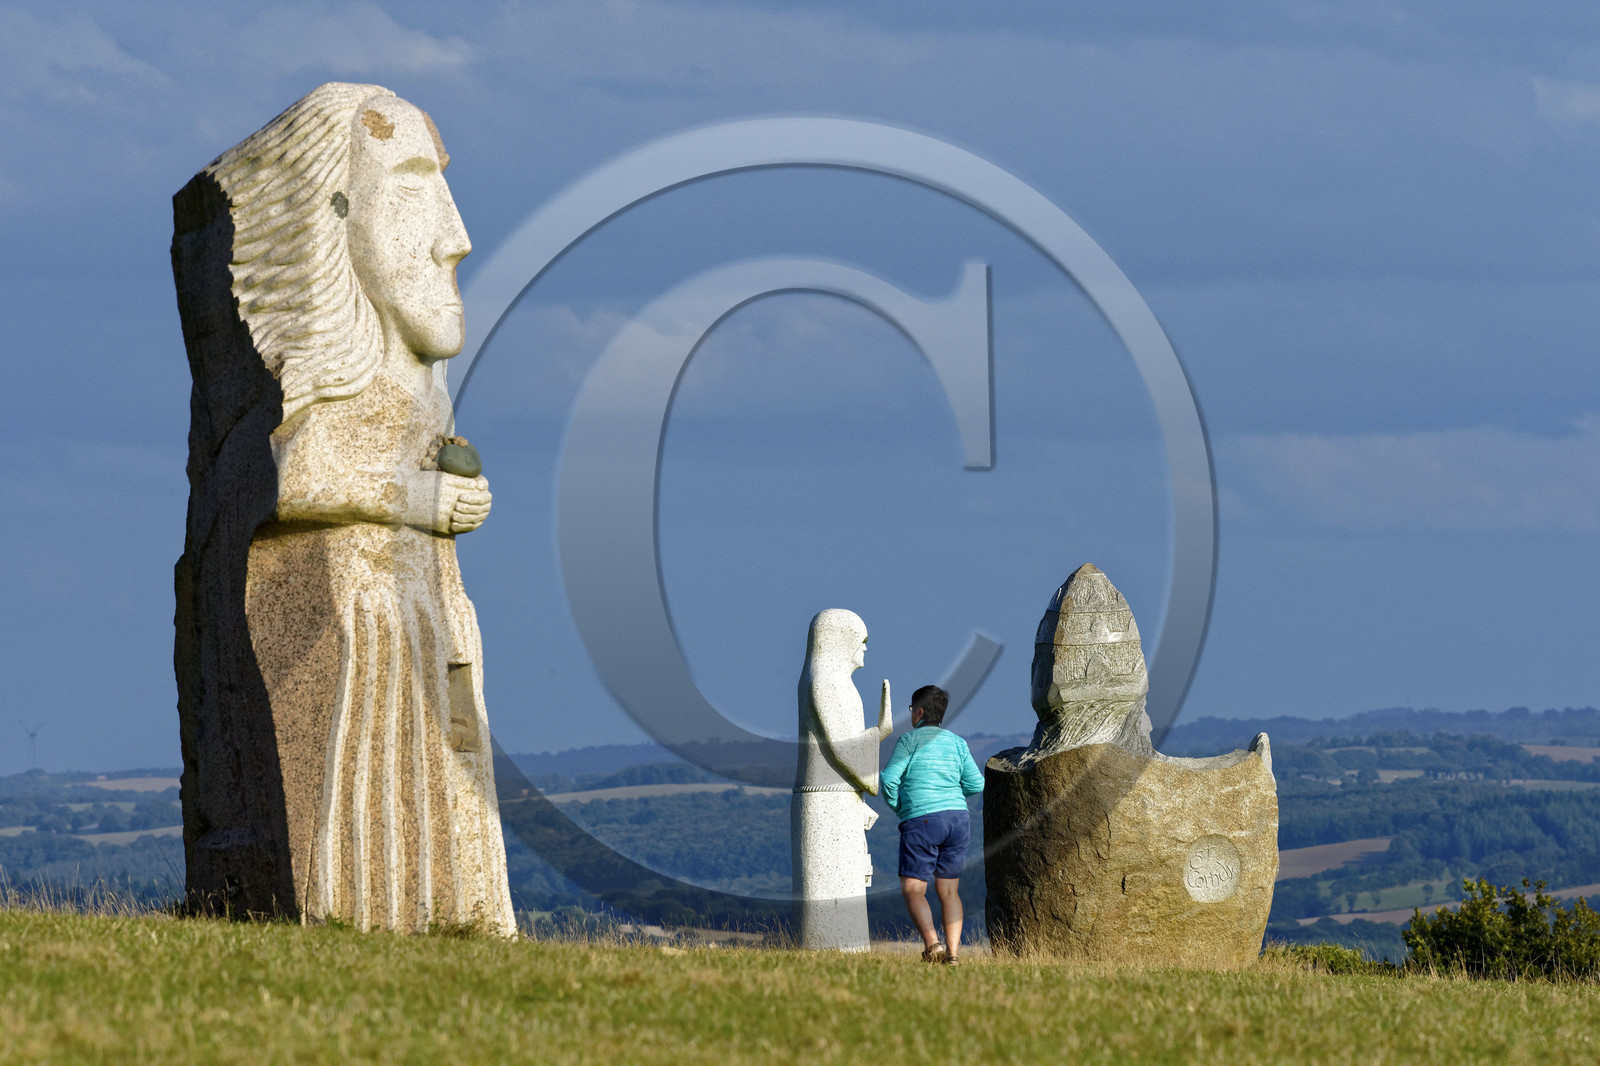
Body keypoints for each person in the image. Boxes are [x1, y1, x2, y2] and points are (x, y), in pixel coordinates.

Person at [880, 685, 985, 963]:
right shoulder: (957, 743)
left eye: (911, 710)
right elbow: (977, 783)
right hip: (958, 819)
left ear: (919, 712)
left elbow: (888, 779)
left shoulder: (909, 740)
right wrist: (951, 794)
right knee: (949, 891)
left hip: (922, 819)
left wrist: (901, 807)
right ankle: (953, 954)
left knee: (914, 889)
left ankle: (932, 946)